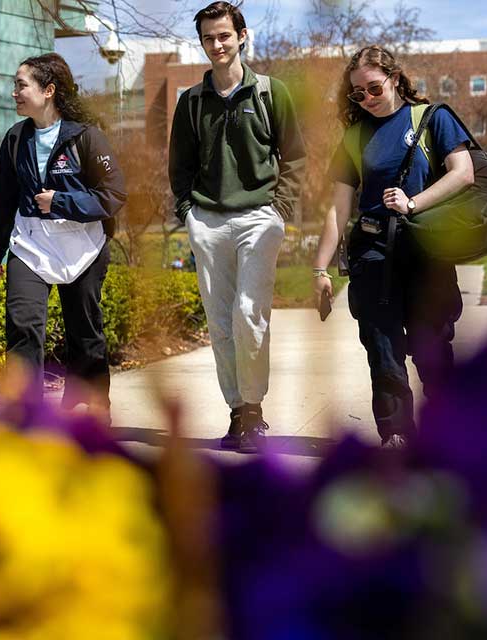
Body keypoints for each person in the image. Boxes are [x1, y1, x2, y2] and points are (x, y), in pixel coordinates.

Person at [312, 45, 475, 448]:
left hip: (425, 252)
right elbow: (338, 209)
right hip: (373, 254)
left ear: (395, 78)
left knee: (432, 345)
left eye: (373, 88)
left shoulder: (432, 118)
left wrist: (413, 202)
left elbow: (464, 173)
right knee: (382, 348)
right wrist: (320, 269)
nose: (366, 98)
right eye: (357, 94)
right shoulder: (355, 137)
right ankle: (397, 434)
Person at [169, 1, 306, 453]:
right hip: (207, 221)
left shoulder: (270, 92)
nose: (217, 44)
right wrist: (189, 212)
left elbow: (296, 157)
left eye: (224, 35)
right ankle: (238, 414)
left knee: (249, 316)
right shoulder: (191, 102)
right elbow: (180, 168)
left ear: (242, 36)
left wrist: (279, 210)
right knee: (221, 323)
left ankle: (254, 410)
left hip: (257, 219)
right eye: (209, 38)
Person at [0, 53, 126, 417]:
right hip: (30, 245)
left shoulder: (87, 137)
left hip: (83, 246)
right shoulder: (15, 139)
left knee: (85, 330)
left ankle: (91, 402)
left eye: (21, 85)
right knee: (22, 325)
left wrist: (61, 202)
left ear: (48, 91)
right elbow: (2, 198)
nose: (14, 92)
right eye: (14, 85)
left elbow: (114, 195)